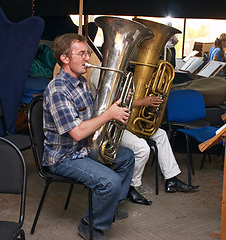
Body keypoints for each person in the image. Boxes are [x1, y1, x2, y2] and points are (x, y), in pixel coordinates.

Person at [43, 33, 135, 240]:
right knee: (109, 181)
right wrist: (109, 114)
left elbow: (93, 115)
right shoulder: (58, 90)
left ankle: (108, 209)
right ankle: (90, 226)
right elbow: (77, 133)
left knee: (127, 157)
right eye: (82, 54)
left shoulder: (81, 82)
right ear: (65, 59)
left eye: (88, 53)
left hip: (83, 149)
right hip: (63, 157)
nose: (88, 58)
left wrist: (119, 104)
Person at [89, 67, 199, 207]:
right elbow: (109, 105)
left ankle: (171, 179)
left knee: (161, 134)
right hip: (109, 126)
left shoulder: (121, 69)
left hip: (124, 119)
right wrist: (142, 102)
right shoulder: (99, 72)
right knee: (142, 148)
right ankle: (130, 187)